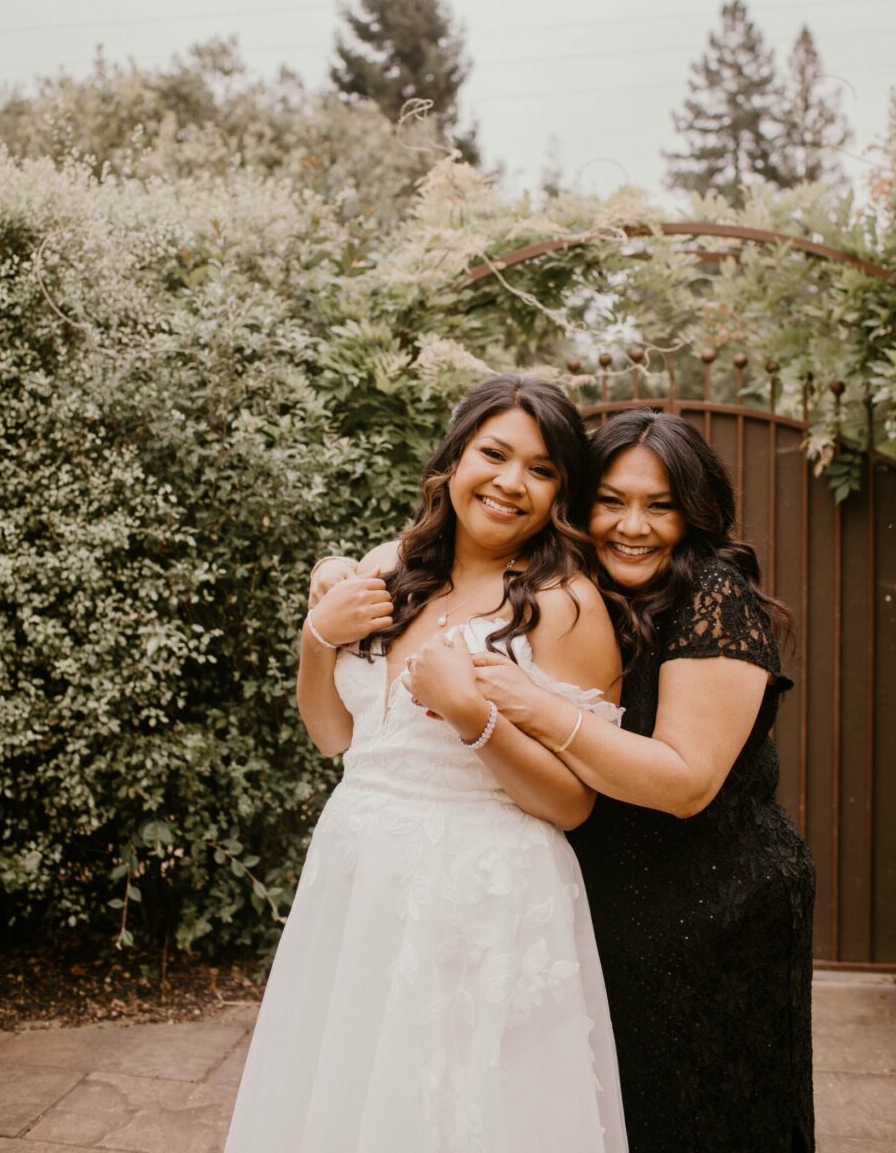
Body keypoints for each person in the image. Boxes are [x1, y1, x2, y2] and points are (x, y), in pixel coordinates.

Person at [224, 376, 628, 1153]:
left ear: (561, 496)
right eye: (496, 453)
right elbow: (333, 738)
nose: (512, 482)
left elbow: (574, 805)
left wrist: (478, 719)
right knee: (344, 1099)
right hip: (356, 876)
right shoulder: (389, 564)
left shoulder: (565, 604)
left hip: (481, 897)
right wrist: (316, 637)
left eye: (541, 471)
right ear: (453, 460)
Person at [467, 410, 816, 1152]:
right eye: (612, 501)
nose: (634, 526)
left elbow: (685, 780)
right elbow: (453, 558)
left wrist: (531, 704)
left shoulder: (714, 598)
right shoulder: (574, 586)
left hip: (715, 908)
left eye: (659, 505)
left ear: (694, 512)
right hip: (606, 903)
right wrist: (343, 574)